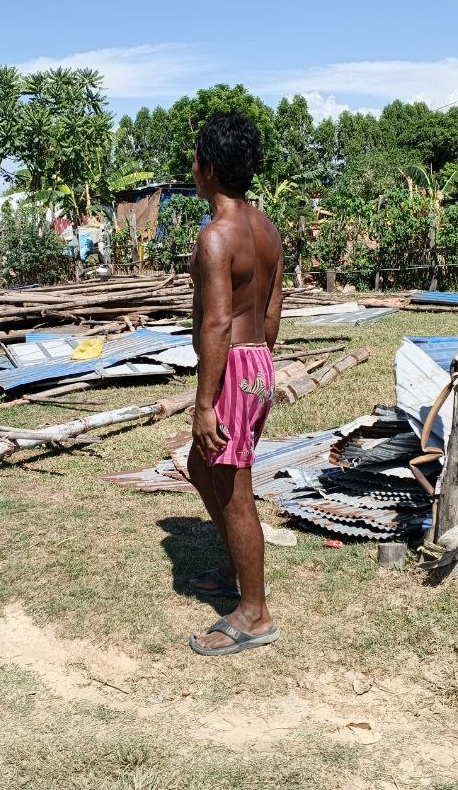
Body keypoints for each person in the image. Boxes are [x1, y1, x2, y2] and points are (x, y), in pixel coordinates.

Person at [184, 111, 284, 657]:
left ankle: (254, 612)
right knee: (204, 466)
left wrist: (207, 403)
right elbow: (271, 314)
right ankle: (237, 572)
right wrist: (256, 369)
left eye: (196, 159)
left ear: (209, 168)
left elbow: (218, 323)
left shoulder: (215, 238)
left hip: (233, 366)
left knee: (232, 485)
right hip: (256, 361)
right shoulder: (266, 230)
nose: (193, 168)